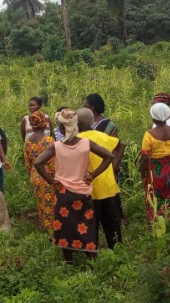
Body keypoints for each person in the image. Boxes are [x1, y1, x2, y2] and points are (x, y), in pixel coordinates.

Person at [34, 109, 114, 263]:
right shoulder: (86, 143)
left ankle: (69, 260)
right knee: (87, 226)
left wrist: (51, 181)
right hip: (83, 192)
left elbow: (38, 163)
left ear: (63, 128)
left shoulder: (56, 146)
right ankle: (92, 259)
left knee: (65, 227)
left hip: (63, 193)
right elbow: (109, 156)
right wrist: (93, 175)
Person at [76, 108, 126, 249]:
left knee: (92, 225)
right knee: (112, 223)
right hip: (109, 187)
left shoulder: (78, 140)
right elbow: (121, 145)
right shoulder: (102, 136)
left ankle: (93, 254)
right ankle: (117, 250)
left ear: (77, 123)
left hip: (90, 189)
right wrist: (114, 165)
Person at [140, 103, 170, 221]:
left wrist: (143, 175)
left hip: (156, 173)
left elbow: (145, 158)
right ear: (167, 116)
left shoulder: (149, 135)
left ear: (153, 117)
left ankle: (157, 223)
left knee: (155, 198)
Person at [22, 111, 57, 236]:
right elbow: (53, 163)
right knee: (50, 205)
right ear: (44, 123)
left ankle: (46, 228)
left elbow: (28, 164)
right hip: (47, 177)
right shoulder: (49, 140)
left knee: (41, 204)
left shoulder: (27, 142)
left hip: (35, 176)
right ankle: (53, 233)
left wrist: (32, 174)